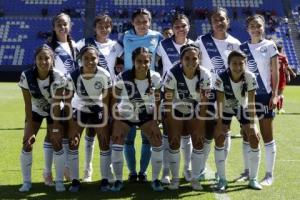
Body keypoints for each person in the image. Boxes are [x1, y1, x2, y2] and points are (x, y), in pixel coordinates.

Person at [194, 7, 241, 180]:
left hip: (227, 94)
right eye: (215, 20)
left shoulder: (236, 43)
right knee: (206, 133)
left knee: (224, 131)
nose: (219, 23)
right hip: (207, 93)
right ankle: (199, 171)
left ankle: (220, 171)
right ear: (210, 23)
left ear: (228, 21)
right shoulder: (200, 41)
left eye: (222, 19)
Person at [76, 14, 123, 182]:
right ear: (94, 28)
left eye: (107, 26)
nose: (104, 29)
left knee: (108, 131)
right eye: (100, 26)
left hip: (109, 93)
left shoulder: (116, 46)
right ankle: (87, 170)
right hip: (89, 93)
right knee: (90, 132)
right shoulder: (83, 43)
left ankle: (107, 171)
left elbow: (120, 66)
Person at [118, 8, 163, 182]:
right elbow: (115, 54)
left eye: (145, 21)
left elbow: (165, 54)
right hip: (128, 88)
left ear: (150, 22)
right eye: (138, 21)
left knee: (147, 137)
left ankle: (143, 173)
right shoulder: (124, 36)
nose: (142, 25)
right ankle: (131, 172)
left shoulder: (158, 36)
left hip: (148, 88)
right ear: (132, 22)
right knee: (128, 138)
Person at [110, 47, 163, 192]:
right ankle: (118, 181)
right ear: (133, 61)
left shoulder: (156, 77)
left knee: (157, 140)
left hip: (146, 115)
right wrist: (115, 121)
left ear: (150, 61)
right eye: (139, 61)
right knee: (117, 140)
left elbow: (158, 99)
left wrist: (155, 120)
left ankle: (156, 180)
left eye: (146, 61)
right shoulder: (122, 76)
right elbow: (114, 99)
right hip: (125, 115)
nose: (143, 64)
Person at [18, 45, 68, 192]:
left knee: (57, 141)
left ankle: (58, 181)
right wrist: (30, 129)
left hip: (55, 110)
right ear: (35, 60)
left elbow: (57, 103)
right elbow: (27, 105)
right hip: (35, 110)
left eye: (47, 58)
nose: (43, 61)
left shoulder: (59, 76)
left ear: (52, 60)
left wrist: (56, 127)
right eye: (40, 58)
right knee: (27, 143)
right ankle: (26, 182)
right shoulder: (26, 76)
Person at [163, 44, 211, 190]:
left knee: (198, 141)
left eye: (194, 58)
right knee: (174, 142)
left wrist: (200, 125)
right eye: (187, 58)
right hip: (175, 108)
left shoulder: (205, 74)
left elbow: (204, 103)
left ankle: (194, 179)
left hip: (194, 109)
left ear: (199, 59)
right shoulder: (172, 73)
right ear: (181, 59)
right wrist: (172, 127)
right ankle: (175, 179)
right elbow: (168, 102)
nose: (191, 61)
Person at [240, 14, 279, 186]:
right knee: (246, 134)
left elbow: (275, 71)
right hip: (248, 96)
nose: (256, 29)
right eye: (252, 27)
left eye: (259, 26)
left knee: (267, 135)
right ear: (247, 29)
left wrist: (275, 94)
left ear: (263, 27)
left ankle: (269, 174)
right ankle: (247, 171)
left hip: (265, 96)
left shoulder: (270, 45)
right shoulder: (242, 48)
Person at [66, 45, 112, 192]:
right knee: (74, 142)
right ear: (81, 59)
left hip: (98, 107)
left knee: (104, 142)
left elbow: (107, 100)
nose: (90, 61)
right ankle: (75, 180)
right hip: (79, 107)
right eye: (86, 58)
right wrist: (69, 120)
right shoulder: (73, 76)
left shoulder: (104, 74)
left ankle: (105, 179)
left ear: (98, 59)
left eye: (93, 58)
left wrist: (105, 119)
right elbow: (67, 100)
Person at [214, 50, 262, 191]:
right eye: (234, 63)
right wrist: (219, 126)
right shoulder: (221, 77)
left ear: (245, 64)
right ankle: (222, 179)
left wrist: (253, 124)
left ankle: (253, 179)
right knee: (220, 137)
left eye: (241, 63)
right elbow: (220, 104)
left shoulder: (250, 77)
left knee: (254, 137)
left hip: (242, 107)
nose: (238, 66)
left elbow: (252, 102)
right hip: (226, 109)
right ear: (228, 64)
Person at [156, 13, 194, 184]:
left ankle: (187, 169)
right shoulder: (162, 45)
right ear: (172, 28)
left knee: (187, 134)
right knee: (168, 134)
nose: (180, 29)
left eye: (183, 25)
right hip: (169, 95)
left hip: (190, 96)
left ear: (189, 27)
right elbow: (156, 68)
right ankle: (165, 171)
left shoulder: (195, 45)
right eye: (177, 26)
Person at [47, 12, 77, 182]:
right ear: (54, 27)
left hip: (71, 94)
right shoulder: (49, 47)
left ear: (70, 26)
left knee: (66, 132)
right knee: (52, 132)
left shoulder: (74, 45)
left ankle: (65, 168)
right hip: (55, 94)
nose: (62, 27)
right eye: (59, 24)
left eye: (65, 24)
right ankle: (47, 172)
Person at [276, 44, 296, 114]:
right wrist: (292, 73)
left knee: (274, 93)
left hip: (273, 77)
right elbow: (287, 67)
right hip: (281, 77)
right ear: (281, 50)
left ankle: (272, 108)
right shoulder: (283, 57)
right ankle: (280, 109)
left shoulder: (272, 56)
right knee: (280, 94)